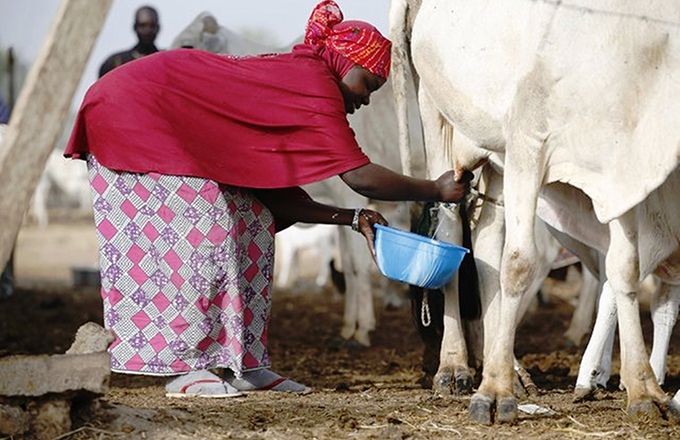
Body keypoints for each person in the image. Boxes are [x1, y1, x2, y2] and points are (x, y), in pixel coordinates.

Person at [65, 0, 471, 397]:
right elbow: (362, 177)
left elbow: (275, 200)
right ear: (344, 62)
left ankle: (246, 363)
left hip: (156, 115)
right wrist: (434, 190)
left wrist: (352, 219)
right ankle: (189, 367)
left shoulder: (303, 82)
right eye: (368, 83)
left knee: (254, 218)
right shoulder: (316, 85)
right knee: (208, 219)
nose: (365, 99)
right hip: (131, 113)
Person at [98, 5, 160, 78]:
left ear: (158, 28)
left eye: (152, 26)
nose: (147, 31)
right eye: (143, 26)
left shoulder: (164, 63)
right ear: (135, 27)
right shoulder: (115, 61)